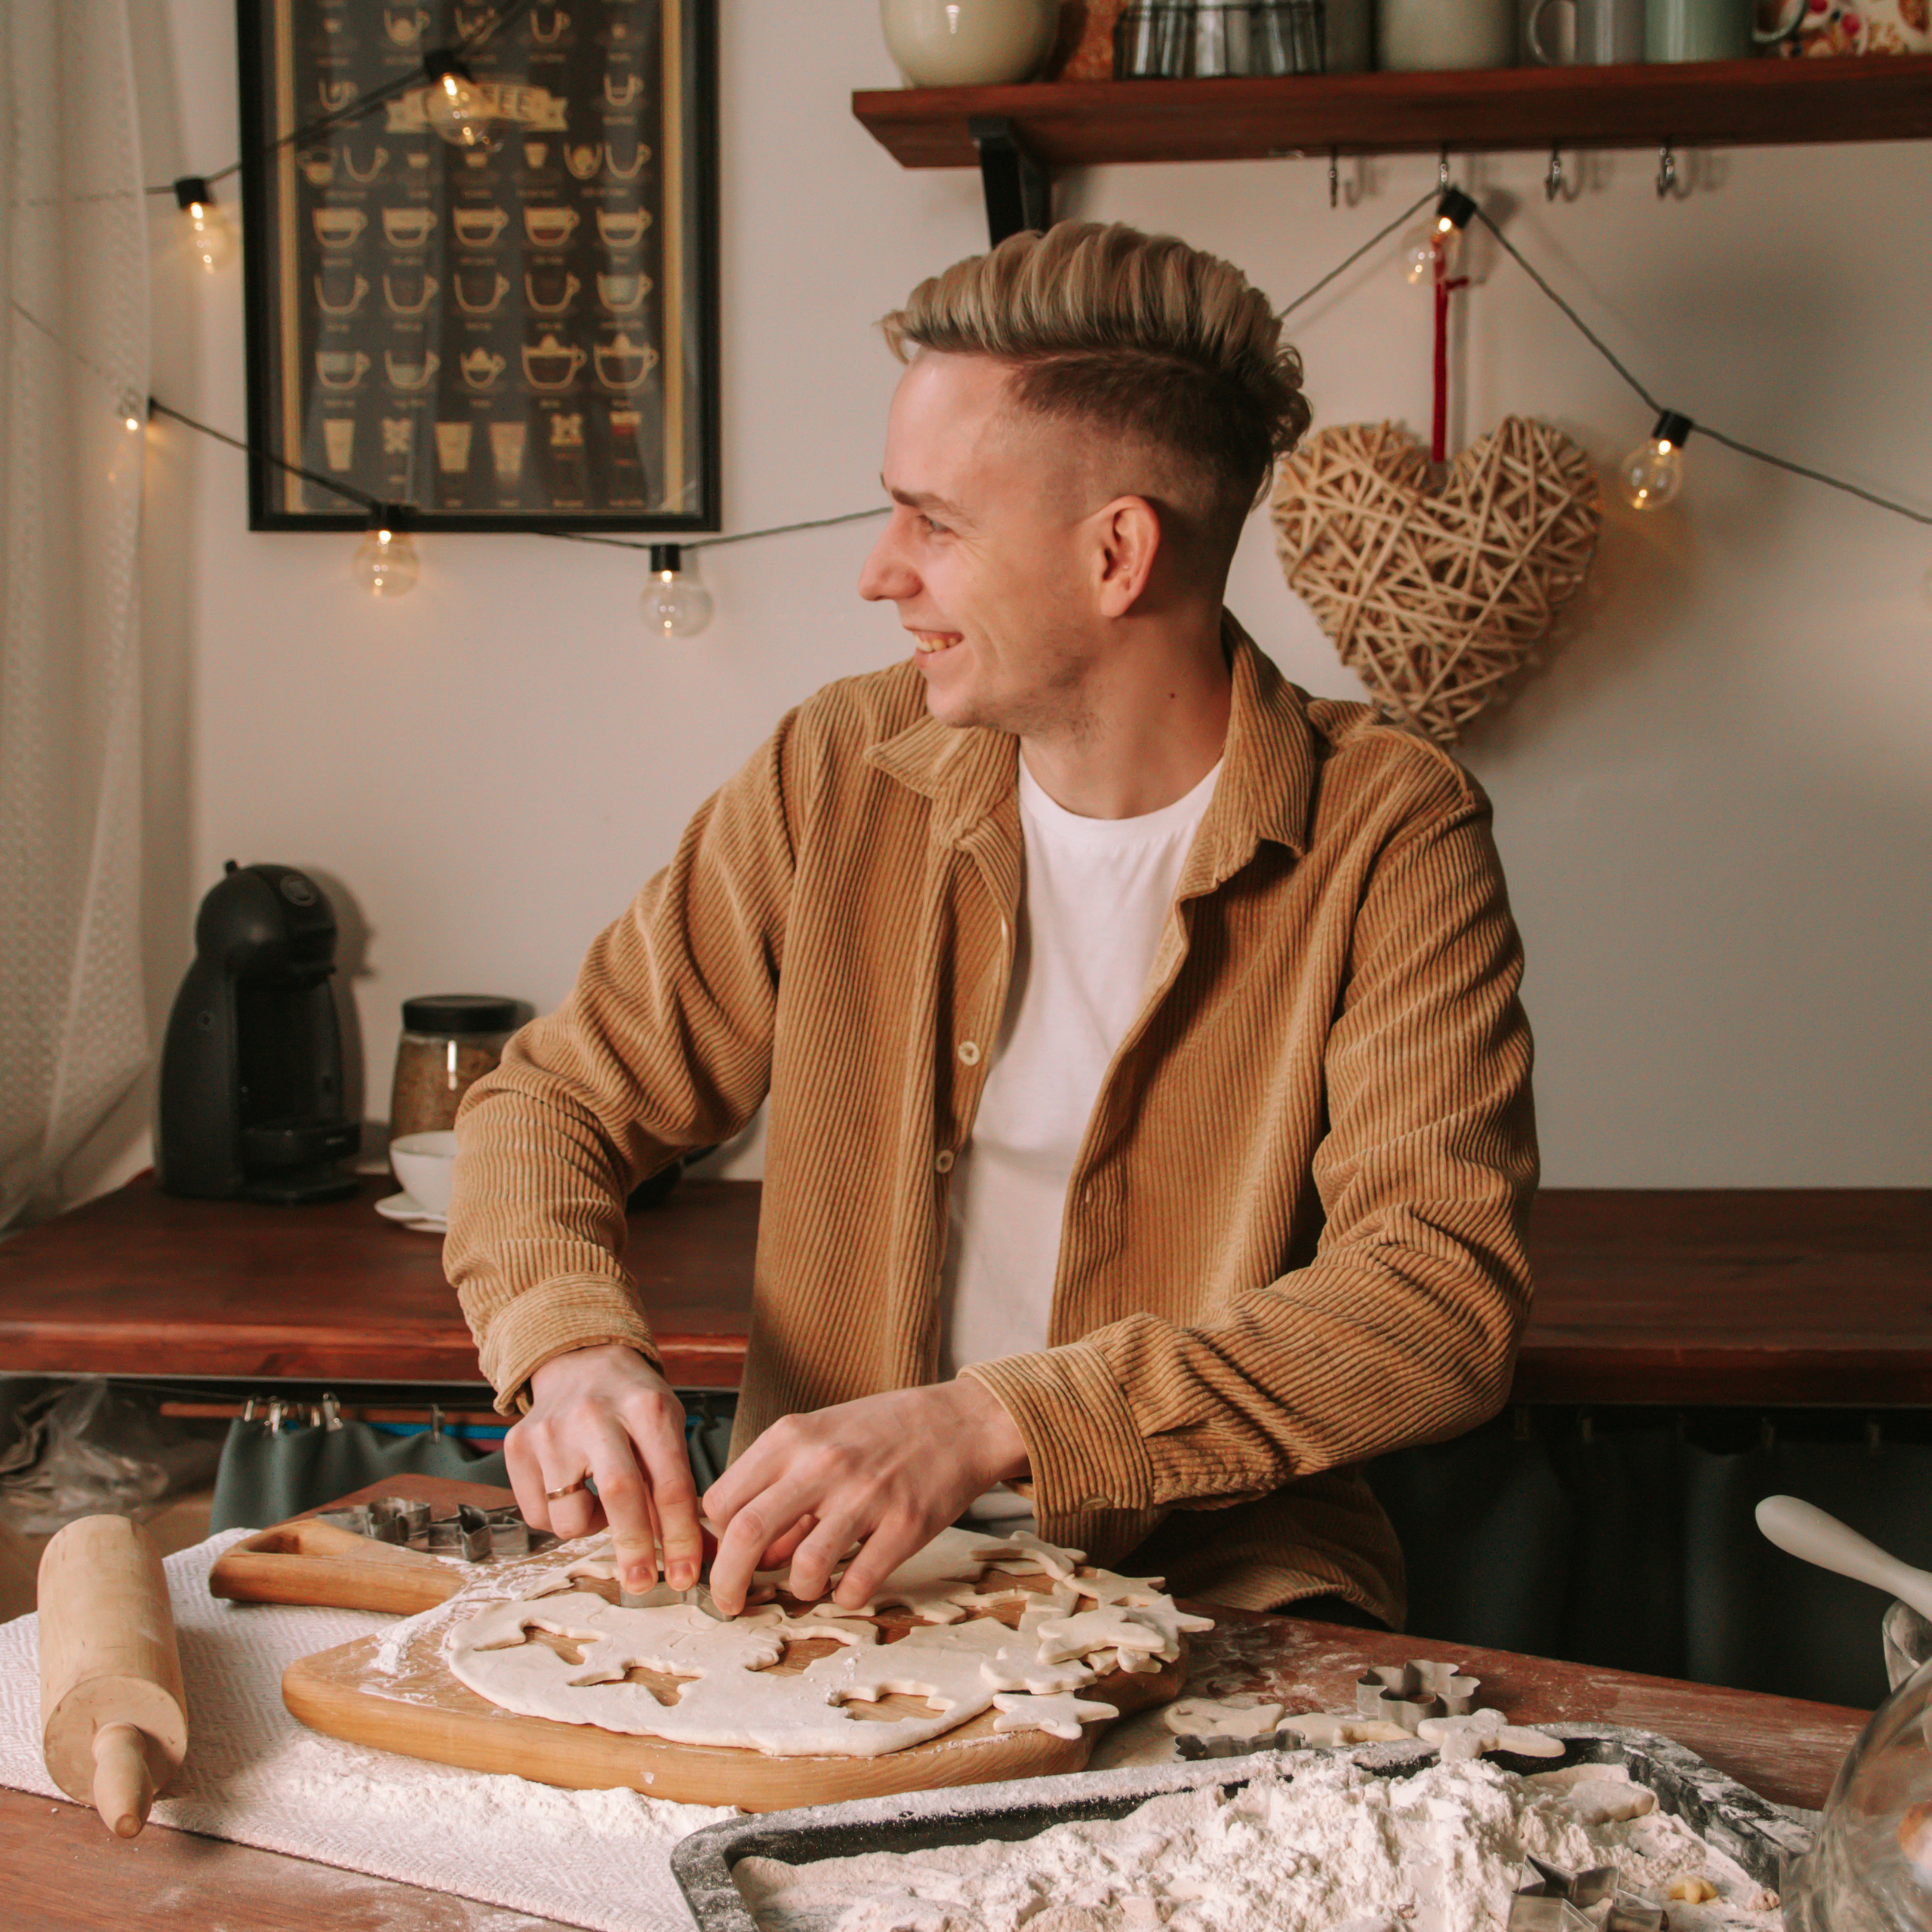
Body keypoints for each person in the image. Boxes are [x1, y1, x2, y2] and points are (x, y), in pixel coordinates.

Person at [445, 221, 1537, 1629]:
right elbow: (551, 1103)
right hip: (820, 1589)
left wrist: (988, 1424)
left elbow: (1437, 1298)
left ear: (1117, 554)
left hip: (1229, 1596)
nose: (880, 572)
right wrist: (572, 1347)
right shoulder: (833, 771)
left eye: (936, 523)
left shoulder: (1392, 830)